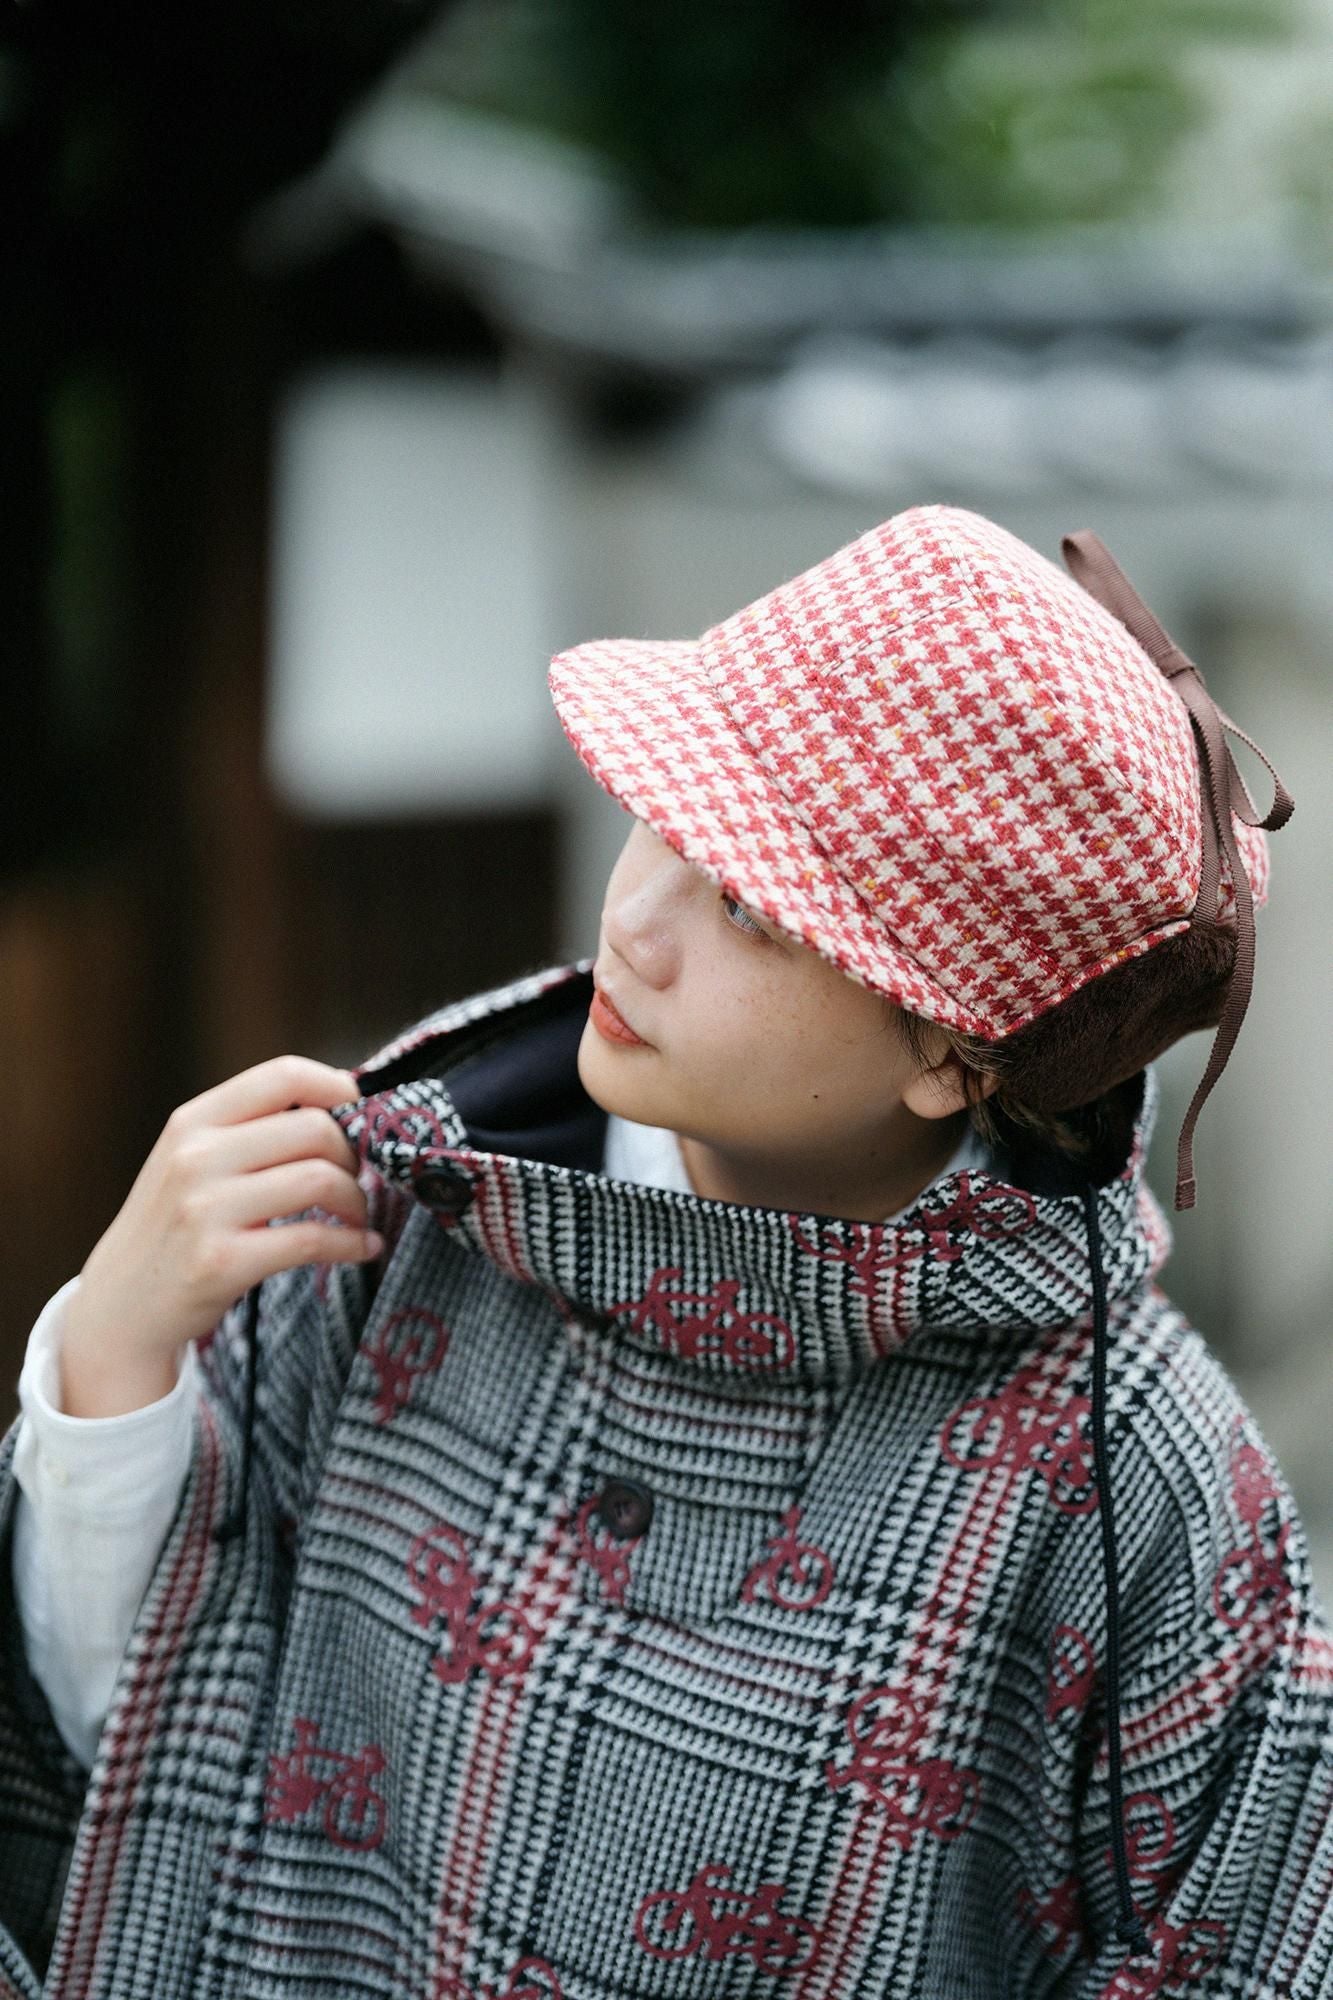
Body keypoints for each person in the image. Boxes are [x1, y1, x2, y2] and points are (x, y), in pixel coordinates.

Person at [3, 504, 1329, 2000]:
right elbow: (130, 1782)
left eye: (751, 906)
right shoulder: (388, 1213)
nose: (632, 920)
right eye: (664, 811)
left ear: (959, 1057)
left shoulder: (1133, 1488)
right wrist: (111, 1360)